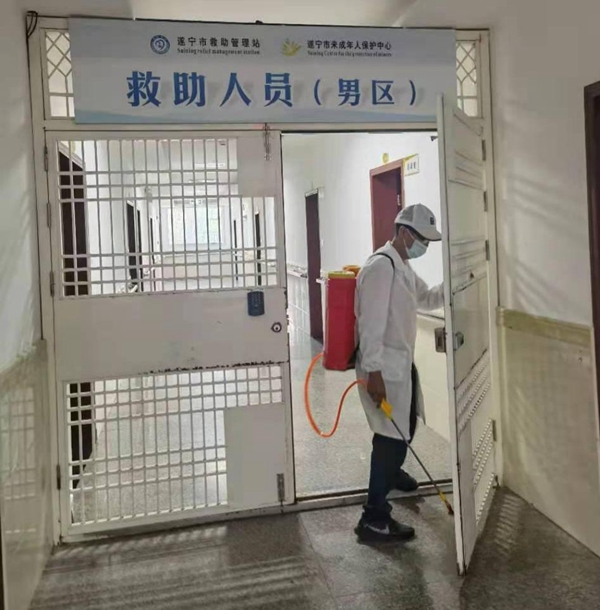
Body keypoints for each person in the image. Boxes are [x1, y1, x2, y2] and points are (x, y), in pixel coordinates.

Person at [354, 204, 444, 542]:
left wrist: (458, 280)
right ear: (404, 232)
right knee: (390, 439)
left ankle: (391, 475)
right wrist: (374, 372)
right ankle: (373, 518)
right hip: (382, 370)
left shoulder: (402, 265)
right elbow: (370, 324)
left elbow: (427, 298)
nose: (425, 246)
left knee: (404, 425)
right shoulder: (381, 266)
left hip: (400, 366)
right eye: (422, 239)